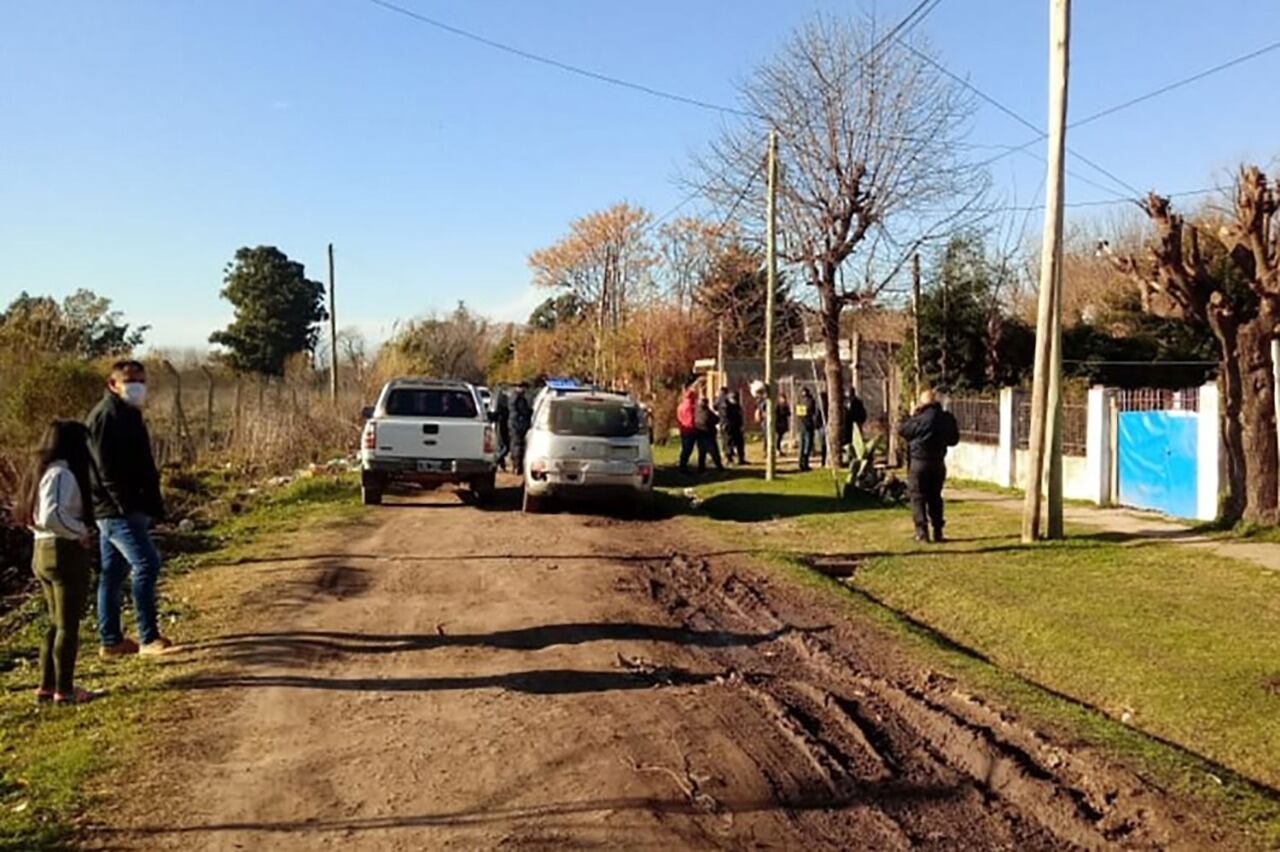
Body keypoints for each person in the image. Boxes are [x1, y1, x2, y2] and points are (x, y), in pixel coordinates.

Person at [87, 360, 172, 657]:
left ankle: (111, 641)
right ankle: (148, 637)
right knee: (146, 564)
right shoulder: (105, 417)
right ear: (113, 384)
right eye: (130, 380)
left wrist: (152, 504)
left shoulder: (129, 415)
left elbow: (143, 464)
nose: (137, 386)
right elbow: (104, 470)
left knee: (112, 573)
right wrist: (125, 506)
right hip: (115, 510)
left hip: (128, 507)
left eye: (141, 380)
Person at [16, 422, 101, 704]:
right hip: (63, 552)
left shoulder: (40, 472)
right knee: (68, 625)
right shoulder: (62, 474)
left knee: (54, 623)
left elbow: (33, 516)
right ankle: (64, 690)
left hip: (41, 550)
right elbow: (53, 515)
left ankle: (46, 685)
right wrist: (80, 532)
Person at [898, 389, 961, 543]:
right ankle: (938, 531)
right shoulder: (946, 418)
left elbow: (903, 430)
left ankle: (922, 532)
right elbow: (954, 439)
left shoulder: (919, 418)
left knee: (918, 497)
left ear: (922, 402)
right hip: (938, 462)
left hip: (919, 462)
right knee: (935, 497)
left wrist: (912, 415)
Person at [694, 397, 725, 473]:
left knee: (702, 452)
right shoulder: (706, 412)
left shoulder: (696, 411)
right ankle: (719, 467)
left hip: (699, 434)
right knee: (714, 452)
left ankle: (701, 468)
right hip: (708, 434)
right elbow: (716, 419)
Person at [508, 383, 533, 472]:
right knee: (518, 445)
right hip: (518, 424)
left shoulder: (513, 397)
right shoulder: (518, 398)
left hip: (514, 423)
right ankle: (517, 466)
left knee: (515, 444)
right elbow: (524, 411)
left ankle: (515, 465)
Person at [676, 385, 699, 474]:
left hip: (684, 429)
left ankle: (682, 464)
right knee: (688, 448)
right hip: (691, 430)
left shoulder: (680, 406)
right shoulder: (691, 407)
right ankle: (683, 466)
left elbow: (679, 418)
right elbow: (692, 419)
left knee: (685, 448)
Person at [796, 387, 817, 471]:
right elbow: (811, 412)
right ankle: (804, 463)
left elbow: (800, 413)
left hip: (802, 426)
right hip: (807, 426)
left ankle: (802, 463)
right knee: (806, 446)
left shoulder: (800, 401)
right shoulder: (810, 401)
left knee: (803, 446)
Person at [724, 391, 746, 465]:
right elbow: (725, 418)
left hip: (737, 427)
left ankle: (741, 459)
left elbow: (740, 416)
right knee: (729, 443)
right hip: (729, 427)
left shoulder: (737, 406)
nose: (734, 400)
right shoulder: (726, 407)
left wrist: (742, 425)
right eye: (733, 399)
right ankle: (729, 459)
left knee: (740, 443)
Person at [713, 386, 734, 463]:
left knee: (724, 439)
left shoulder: (718, 399)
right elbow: (728, 410)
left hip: (722, 421)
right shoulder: (727, 400)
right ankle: (728, 456)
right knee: (728, 439)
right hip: (727, 421)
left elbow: (714, 407)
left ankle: (726, 454)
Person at [492, 386, 511, 471]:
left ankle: (501, 464)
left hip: (499, 424)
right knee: (505, 447)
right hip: (502, 425)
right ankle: (496, 460)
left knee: (501, 446)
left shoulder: (496, 398)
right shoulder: (503, 404)